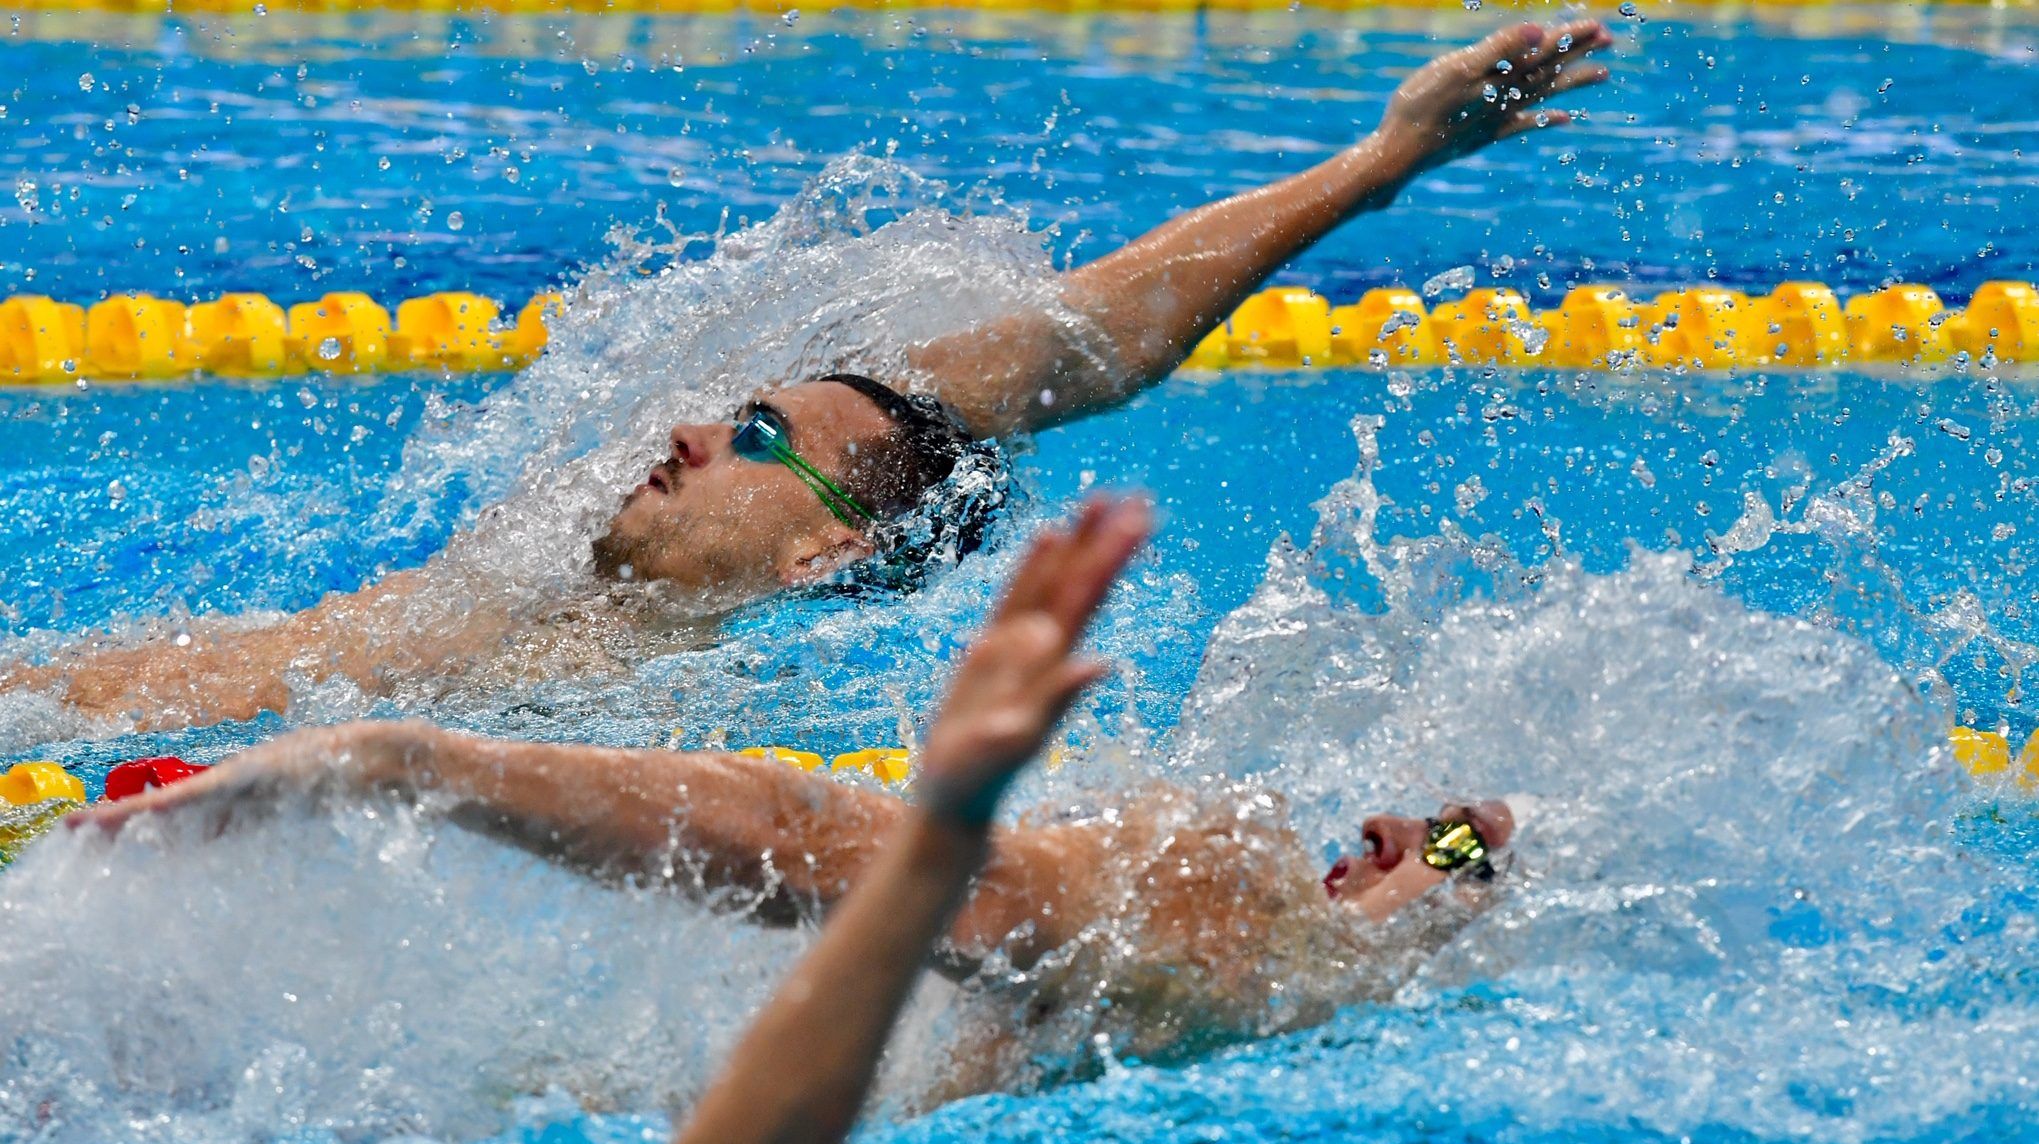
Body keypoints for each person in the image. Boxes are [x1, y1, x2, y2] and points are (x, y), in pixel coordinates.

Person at [5, 20, 1614, 734]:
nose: (697, 426)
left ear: (826, 548)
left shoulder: (654, 708)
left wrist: (1388, 164)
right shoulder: (535, 570)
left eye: (760, 434)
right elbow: (1079, 342)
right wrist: (1382, 161)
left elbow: (1091, 358)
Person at [75, 497, 1519, 1129]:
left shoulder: (1213, 902)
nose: (1422, 825)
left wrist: (405, 761)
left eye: (1459, 856)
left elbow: (864, 862)